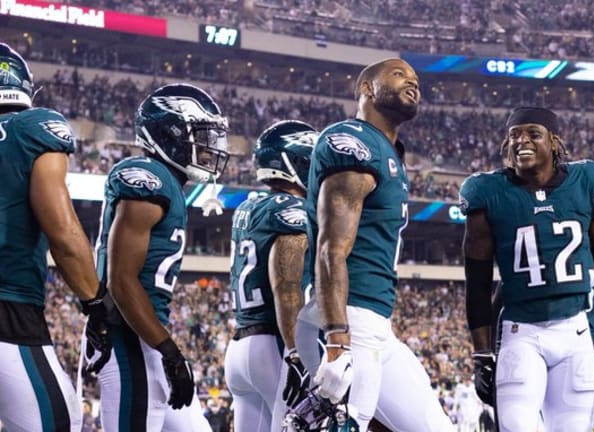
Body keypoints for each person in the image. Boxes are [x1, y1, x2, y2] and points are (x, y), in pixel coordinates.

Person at [460, 106, 594, 432]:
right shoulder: (487, 192)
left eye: (533, 134)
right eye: (514, 135)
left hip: (575, 333)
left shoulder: (586, 181)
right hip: (520, 333)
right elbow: (477, 281)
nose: (521, 141)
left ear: (554, 142)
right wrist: (482, 353)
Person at [298, 57, 452, 431]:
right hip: (346, 317)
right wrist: (336, 338)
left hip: (375, 324)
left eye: (415, 78)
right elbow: (331, 248)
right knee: (347, 423)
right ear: (367, 88)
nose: (412, 82)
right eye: (398, 75)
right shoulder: (355, 141)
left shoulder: (388, 153)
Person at [93, 83, 229, 432]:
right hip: (126, 335)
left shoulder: (168, 184)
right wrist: (168, 350)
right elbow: (122, 281)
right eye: (200, 135)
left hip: (146, 335)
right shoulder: (148, 177)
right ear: (170, 134)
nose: (208, 146)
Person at [0, 42, 110, 432]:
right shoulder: (32, 128)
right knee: (56, 421)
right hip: (8, 307)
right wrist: (96, 303)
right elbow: (62, 231)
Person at [224, 120, 315, 432]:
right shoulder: (292, 208)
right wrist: (296, 353)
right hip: (274, 346)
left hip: (240, 345)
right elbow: (287, 287)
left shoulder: (248, 207)